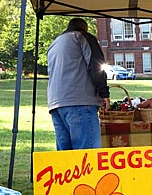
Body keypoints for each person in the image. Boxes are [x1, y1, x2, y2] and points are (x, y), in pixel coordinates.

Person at [46, 17, 110, 150]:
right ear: (84, 28)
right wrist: (104, 93)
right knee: (87, 157)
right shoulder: (82, 37)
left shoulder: (54, 43)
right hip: (80, 101)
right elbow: (96, 65)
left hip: (56, 104)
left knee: (66, 158)